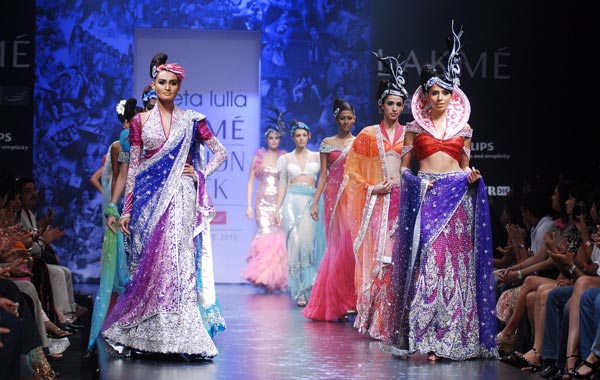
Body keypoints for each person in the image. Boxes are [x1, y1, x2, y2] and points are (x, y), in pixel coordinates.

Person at [384, 23, 498, 361]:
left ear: (453, 96)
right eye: (433, 93)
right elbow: (404, 170)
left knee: (456, 266)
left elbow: (465, 165)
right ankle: (425, 336)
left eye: (445, 93)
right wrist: (419, 183)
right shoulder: (413, 127)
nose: (439, 98)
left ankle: (451, 339)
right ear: (424, 95)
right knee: (430, 262)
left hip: (458, 198)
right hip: (429, 196)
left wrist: (472, 175)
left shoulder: (464, 129)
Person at [101, 52, 226, 358]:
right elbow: (133, 168)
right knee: (150, 259)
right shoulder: (140, 121)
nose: (167, 88)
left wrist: (198, 173)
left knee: (178, 255)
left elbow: (220, 152)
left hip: (181, 196)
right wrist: (127, 209)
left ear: (179, 86)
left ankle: (182, 330)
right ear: (153, 84)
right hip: (147, 198)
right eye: (162, 82)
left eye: (172, 83)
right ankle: (149, 327)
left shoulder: (192, 121)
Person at [343, 53, 407, 339]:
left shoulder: (410, 134)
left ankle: (389, 320)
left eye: (399, 104)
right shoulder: (368, 134)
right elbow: (351, 172)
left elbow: (408, 171)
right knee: (376, 260)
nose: (395, 108)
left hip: (400, 203)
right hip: (376, 204)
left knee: (393, 261)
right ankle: (371, 319)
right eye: (390, 103)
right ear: (382, 105)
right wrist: (372, 188)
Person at [87, 98, 141, 352]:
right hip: (128, 204)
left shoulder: (156, 136)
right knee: (128, 263)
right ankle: (129, 324)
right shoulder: (122, 143)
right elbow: (120, 174)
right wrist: (113, 205)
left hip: (153, 201)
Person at [302, 98, 356, 321]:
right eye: (342, 118)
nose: (346, 122)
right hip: (332, 199)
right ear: (336, 119)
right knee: (336, 247)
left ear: (355, 119)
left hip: (353, 197)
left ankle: (351, 301)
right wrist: (315, 202)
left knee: (351, 247)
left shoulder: (360, 141)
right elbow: (323, 175)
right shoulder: (327, 142)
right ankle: (335, 302)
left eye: (349, 118)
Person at [275, 120, 325, 307]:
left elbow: (323, 181)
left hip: (311, 202)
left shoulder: (318, 157)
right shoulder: (286, 159)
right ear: (293, 137)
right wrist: (277, 208)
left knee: (308, 245)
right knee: (294, 244)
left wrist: (319, 201)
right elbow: (282, 184)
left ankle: (309, 287)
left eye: (304, 135)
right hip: (291, 202)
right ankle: (299, 291)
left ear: (309, 136)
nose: (301, 138)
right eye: (298, 135)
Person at [242, 110, 288, 293]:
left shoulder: (283, 157)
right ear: (266, 139)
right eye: (271, 138)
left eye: (277, 138)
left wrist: (283, 205)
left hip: (278, 202)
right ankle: (262, 276)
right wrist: (248, 205)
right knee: (264, 234)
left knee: (277, 237)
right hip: (262, 202)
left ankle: (273, 279)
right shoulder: (258, 156)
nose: (274, 141)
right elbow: (251, 181)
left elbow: (286, 182)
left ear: (280, 139)